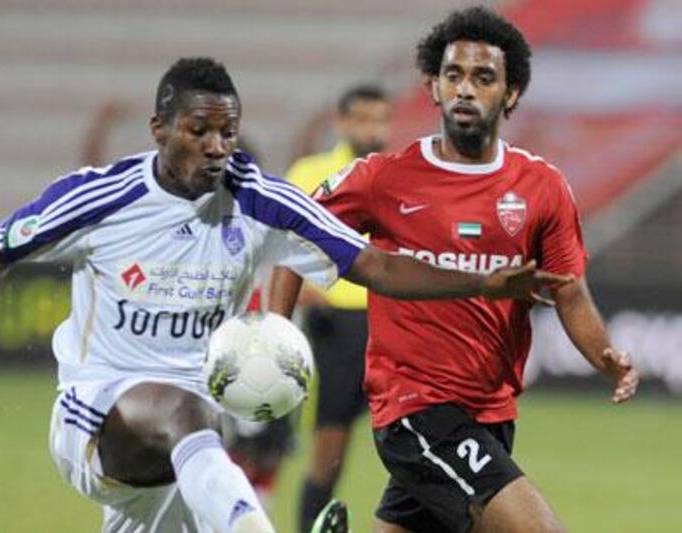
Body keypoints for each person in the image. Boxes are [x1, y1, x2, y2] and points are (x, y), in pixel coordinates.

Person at [0, 56, 568, 533]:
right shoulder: (103, 195)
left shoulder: (259, 199)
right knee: (184, 411)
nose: (218, 147)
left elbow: (373, 264)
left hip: (188, 449)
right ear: (159, 129)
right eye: (200, 132)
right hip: (98, 411)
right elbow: (4, 242)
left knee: (192, 420)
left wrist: (483, 281)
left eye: (228, 132)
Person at [269, 7, 639, 533]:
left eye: (483, 78)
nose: (466, 89)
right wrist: (275, 337)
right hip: (413, 407)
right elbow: (293, 232)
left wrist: (606, 358)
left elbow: (570, 293)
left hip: (491, 410)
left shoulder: (542, 188)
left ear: (510, 94)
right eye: (453, 76)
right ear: (434, 88)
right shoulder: (385, 178)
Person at [285, 84, 393, 532]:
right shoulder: (310, 172)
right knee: (330, 444)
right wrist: (305, 290)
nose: (374, 128)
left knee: (412, 437)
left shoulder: (397, 174)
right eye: (364, 119)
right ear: (343, 122)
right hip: (336, 321)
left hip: (392, 317)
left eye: (380, 119)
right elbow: (279, 241)